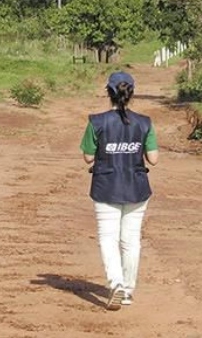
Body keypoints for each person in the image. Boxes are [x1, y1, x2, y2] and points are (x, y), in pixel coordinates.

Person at [80, 71, 159, 310]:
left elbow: (88, 157)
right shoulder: (145, 123)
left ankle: (116, 283)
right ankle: (127, 291)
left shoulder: (96, 122)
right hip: (137, 188)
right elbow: (153, 159)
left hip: (106, 187)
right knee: (131, 240)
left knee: (108, 238)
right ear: (131, 93)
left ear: (109, 92)